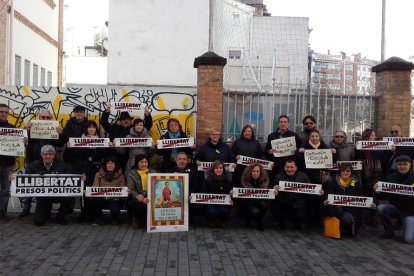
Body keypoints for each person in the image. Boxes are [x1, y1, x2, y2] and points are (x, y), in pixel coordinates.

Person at [21, 109, 64, 218]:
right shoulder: (30, 128)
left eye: (47, 118)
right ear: (38, 118)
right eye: (43, 117)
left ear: (50, 119)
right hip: (32, 160)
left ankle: (45, 207)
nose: (45, 119)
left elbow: (59, 143)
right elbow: (23, 141)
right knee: (28, 185)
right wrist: (27, 130)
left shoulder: (54, 129)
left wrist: (61, 134)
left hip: (48, 161)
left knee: (48, 184)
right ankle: (26, 209)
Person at [25, 145, 73, 226]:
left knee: (69, 197)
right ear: (41, 155)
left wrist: (81, 178)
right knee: (38, 222)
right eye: (45, 154)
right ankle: (46, 212)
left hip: (58, 194)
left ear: (54, 156)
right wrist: (13, 178)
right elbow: (26, 178)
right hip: (43, 196)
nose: (48, 156)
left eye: (50, 154)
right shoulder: (33, 165)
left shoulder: (62, 165)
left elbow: (71, 177)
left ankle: (60, 217)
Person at [76, 120, 111, 222]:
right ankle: (83, 213)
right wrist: (80, 171)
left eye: (94, 127)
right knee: (84, 192)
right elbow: (77, 158)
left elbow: (104, 156)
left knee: (96, 192)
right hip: (84, 169)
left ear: (96, 129)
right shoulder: (79, 141)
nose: (92, 129)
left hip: (96, 170)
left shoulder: (101, 141)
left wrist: (108, 147)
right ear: (86, 128)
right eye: (89, 127)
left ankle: (95, 214)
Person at [375, 155, 414, 243]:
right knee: (381, 208)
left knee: (409, 240)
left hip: (411, 213)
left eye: (405, 164)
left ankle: (407, 224)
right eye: (400, 164)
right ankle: (389, 231)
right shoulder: (390, 178)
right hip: (397, 209)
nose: (402, 166)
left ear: (410, 165)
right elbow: (383, 196)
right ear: (396, 165)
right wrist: (377, 191)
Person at [100, 105, 152, 171]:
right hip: (115, 158)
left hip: (129, 158)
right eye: (123, 119)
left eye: (128, 119)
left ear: (130, 120)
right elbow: (103, 122)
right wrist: (107, 111)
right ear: (120, 121)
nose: (126, 121)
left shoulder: (134, 128)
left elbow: (148, 125)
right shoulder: (114, 128)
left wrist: (147, 114)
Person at [324, 163, 368, 237]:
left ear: (351, 172)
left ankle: (347, 229)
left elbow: (360, 196)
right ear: (340, 172)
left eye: (348, 171)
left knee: (347, 219)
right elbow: (328, 195)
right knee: (337, 208)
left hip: (350, 209)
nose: (345, 172)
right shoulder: (333, 182)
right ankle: (337, 228)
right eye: (343, 171)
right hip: (336, 208)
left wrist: (368, 203)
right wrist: (326, 200)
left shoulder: (355, 183)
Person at [273, 159, 311, 230]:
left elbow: (311, 190)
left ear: (296, 167)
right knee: (275, 205)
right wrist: (275, 189)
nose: (289, 169)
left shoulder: (303, 176)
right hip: (284, 202)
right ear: (284, 167)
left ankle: (298, 223)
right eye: (287, 167)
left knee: (302, 214)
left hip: (298, 203)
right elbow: (274, 192)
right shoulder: (278, 177)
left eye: (291, 167)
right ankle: (281, 223)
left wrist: (318, 192)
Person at [89, 156, 126, 224]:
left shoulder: (121, 176)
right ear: (105, 165)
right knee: (93, 200)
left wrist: (125, 192)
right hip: (101, 198)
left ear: (115, 165)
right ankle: (98, 218)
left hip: (114, 199)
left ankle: (115, 217)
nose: (110, 165)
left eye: (112, 163)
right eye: (108, 163)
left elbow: (122, 189)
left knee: (115, 208)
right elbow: (95, 187)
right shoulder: (98, 174)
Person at [265, 115, 301, 182]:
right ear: (278, 123)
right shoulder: (271, 136)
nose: (283, 124)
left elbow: (299, 150)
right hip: (276, 166)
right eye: (281, 122)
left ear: (288, 124)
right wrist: (269, 151)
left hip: (289, 166)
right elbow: (266, 150)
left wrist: (294, 151)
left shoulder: (294, 135)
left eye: (285, 122)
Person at [127, 154, 155, 229]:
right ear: (137, 163)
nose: (144, 164)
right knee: (141, 206)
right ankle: (136, 218)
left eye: (146, 162)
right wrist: (139, 197)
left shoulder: (153, 172)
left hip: (150, 196)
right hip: (137, 198)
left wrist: (146, 196)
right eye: (141, 162)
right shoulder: (131, 173)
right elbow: (131, 189)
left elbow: (157, 187)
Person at [202, 160, 233, 228]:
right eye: (216, 168)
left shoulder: (227, 180)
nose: (218, 170)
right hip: (210, 203)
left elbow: (231, 192)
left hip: (223, 203)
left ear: (223, 169)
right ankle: (212, 221)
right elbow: (203, 192)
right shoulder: (208, 179)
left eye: (220, 168)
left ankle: (222, 221)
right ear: (213, 169)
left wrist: (231, 196)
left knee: (224, 210)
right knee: (212, 212)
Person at [240, 163, 270, 231]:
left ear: (260, 172)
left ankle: (259, 221)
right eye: (253, 171)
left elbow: (268, 194)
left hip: (259, 201)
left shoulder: (264, 180)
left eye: (257, 171)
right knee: (254, 211)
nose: (255, 173)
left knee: (264, 205)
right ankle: (248, 220)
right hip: (247, 203)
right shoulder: (244, 180)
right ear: (250, 172)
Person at [0, 104, 16, 221]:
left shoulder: (13, 128)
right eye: (1, 111)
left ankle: (2, 213)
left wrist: (23, 141)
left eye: (5, 112)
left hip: (8, 164)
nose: (3, 113)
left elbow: (18, 146)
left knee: (5, 190)